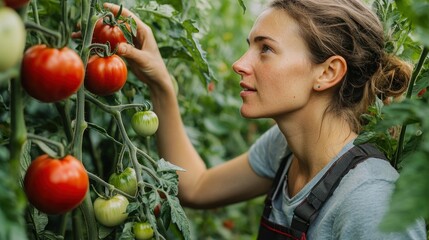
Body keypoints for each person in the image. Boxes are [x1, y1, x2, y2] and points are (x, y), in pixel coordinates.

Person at [104, 0, 427, 239]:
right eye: (249, 47)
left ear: (328, 72)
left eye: (266, 49)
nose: (239, 64)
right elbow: (196, 187)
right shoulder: (285, 148)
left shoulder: (370, 200)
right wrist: (160, 83)